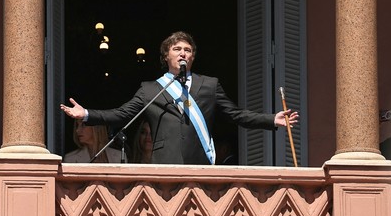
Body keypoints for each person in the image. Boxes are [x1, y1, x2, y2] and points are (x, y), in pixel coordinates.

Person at [60, 31, 297, 165]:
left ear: (193, 57)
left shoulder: (209, 85)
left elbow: (235, 115)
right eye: (176, 49)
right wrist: (87, 114)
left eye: (188, 50)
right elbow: (121, 114)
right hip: (164, 162)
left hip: (200, 161)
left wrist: (270, 119)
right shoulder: (150, 89)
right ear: (166, 57)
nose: (183, 52)